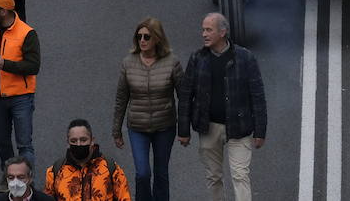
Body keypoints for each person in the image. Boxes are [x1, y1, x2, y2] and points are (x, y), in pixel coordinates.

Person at [177, 12, 265, 201]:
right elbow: (186, 95)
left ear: (222, 32)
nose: (204, 34)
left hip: (239, 129)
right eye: (203, 30)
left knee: (240, 175)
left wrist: (260, 131)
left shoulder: (245, 58)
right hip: (209, 128)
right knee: (213, 177)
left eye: (209, 30)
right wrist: (183, 130)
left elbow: (257, 96)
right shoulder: (197, 59)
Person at [112, 18, 182, 201]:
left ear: (157, 39)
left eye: (147, 36)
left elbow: (184, 96)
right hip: (137, 127)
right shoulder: (128, 63)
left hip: (165, 127)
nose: (142, 40)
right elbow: (121, 98)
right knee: (142, 173)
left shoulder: (172, 62)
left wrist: (184, 128)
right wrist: (116, 130)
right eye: (139, 36)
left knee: (161, 173)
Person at [0, 0, 39, 174]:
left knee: (24, 144)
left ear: (4, 12)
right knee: (2, 141)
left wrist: (5, 65)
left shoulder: (27, 33)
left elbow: (33, 66)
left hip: (21, 97)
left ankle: (27, 181)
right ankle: (8, 178)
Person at [43, 120, 130, 201]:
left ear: (92, 141)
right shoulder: (55, 171)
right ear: (67, 143)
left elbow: (124, 198)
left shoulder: (111, 168)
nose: (78, 144)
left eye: (83, 140)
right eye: (73, 141)